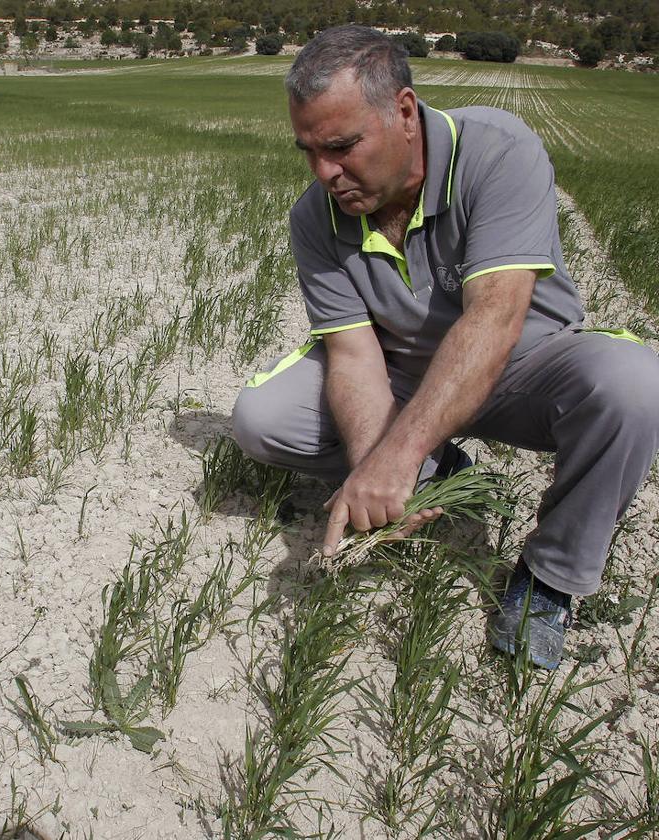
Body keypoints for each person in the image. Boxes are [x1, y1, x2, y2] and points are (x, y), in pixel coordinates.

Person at [231, 25, 659, 669]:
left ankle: (550, 578)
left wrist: (395, 456)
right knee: (261, 418)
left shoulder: (496, 152)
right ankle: (445, 477)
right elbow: (353, 357)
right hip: (404, 375)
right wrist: (384, 460)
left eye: (343, 146)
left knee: (632, 384)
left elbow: (494, 319)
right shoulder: (314, 218)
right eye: (309, 151)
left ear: (404, 112)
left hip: (521, 367)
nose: (326, 173)